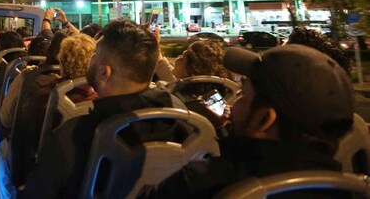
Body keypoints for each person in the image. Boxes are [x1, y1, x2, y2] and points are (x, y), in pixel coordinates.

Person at [139, 45, 355, 198]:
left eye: (242, 95)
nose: (233, 106)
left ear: (264, 120)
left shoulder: (205, 180)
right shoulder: (352, 188)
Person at [20, 20, 184, 198]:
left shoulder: (72, 137)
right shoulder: (185, 125)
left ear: (104, 73)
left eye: (95, 54)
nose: (91, 58)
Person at [0, 34, 97, 198]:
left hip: (44, 173)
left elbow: (22, 133)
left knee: (4, 151)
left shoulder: (44, 95)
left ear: (62, 62)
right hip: (90, 175)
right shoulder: (103, 98)